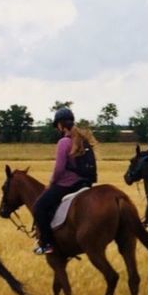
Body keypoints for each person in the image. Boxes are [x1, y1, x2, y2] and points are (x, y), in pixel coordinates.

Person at [32, 107, 97, 255]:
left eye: (57, 126)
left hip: (67, 185)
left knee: (39, 207)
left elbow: (59, 169)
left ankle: (47, 244)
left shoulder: (63, 142)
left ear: (60, 125)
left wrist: (51, 182)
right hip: (84, 183)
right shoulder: (82, 139)